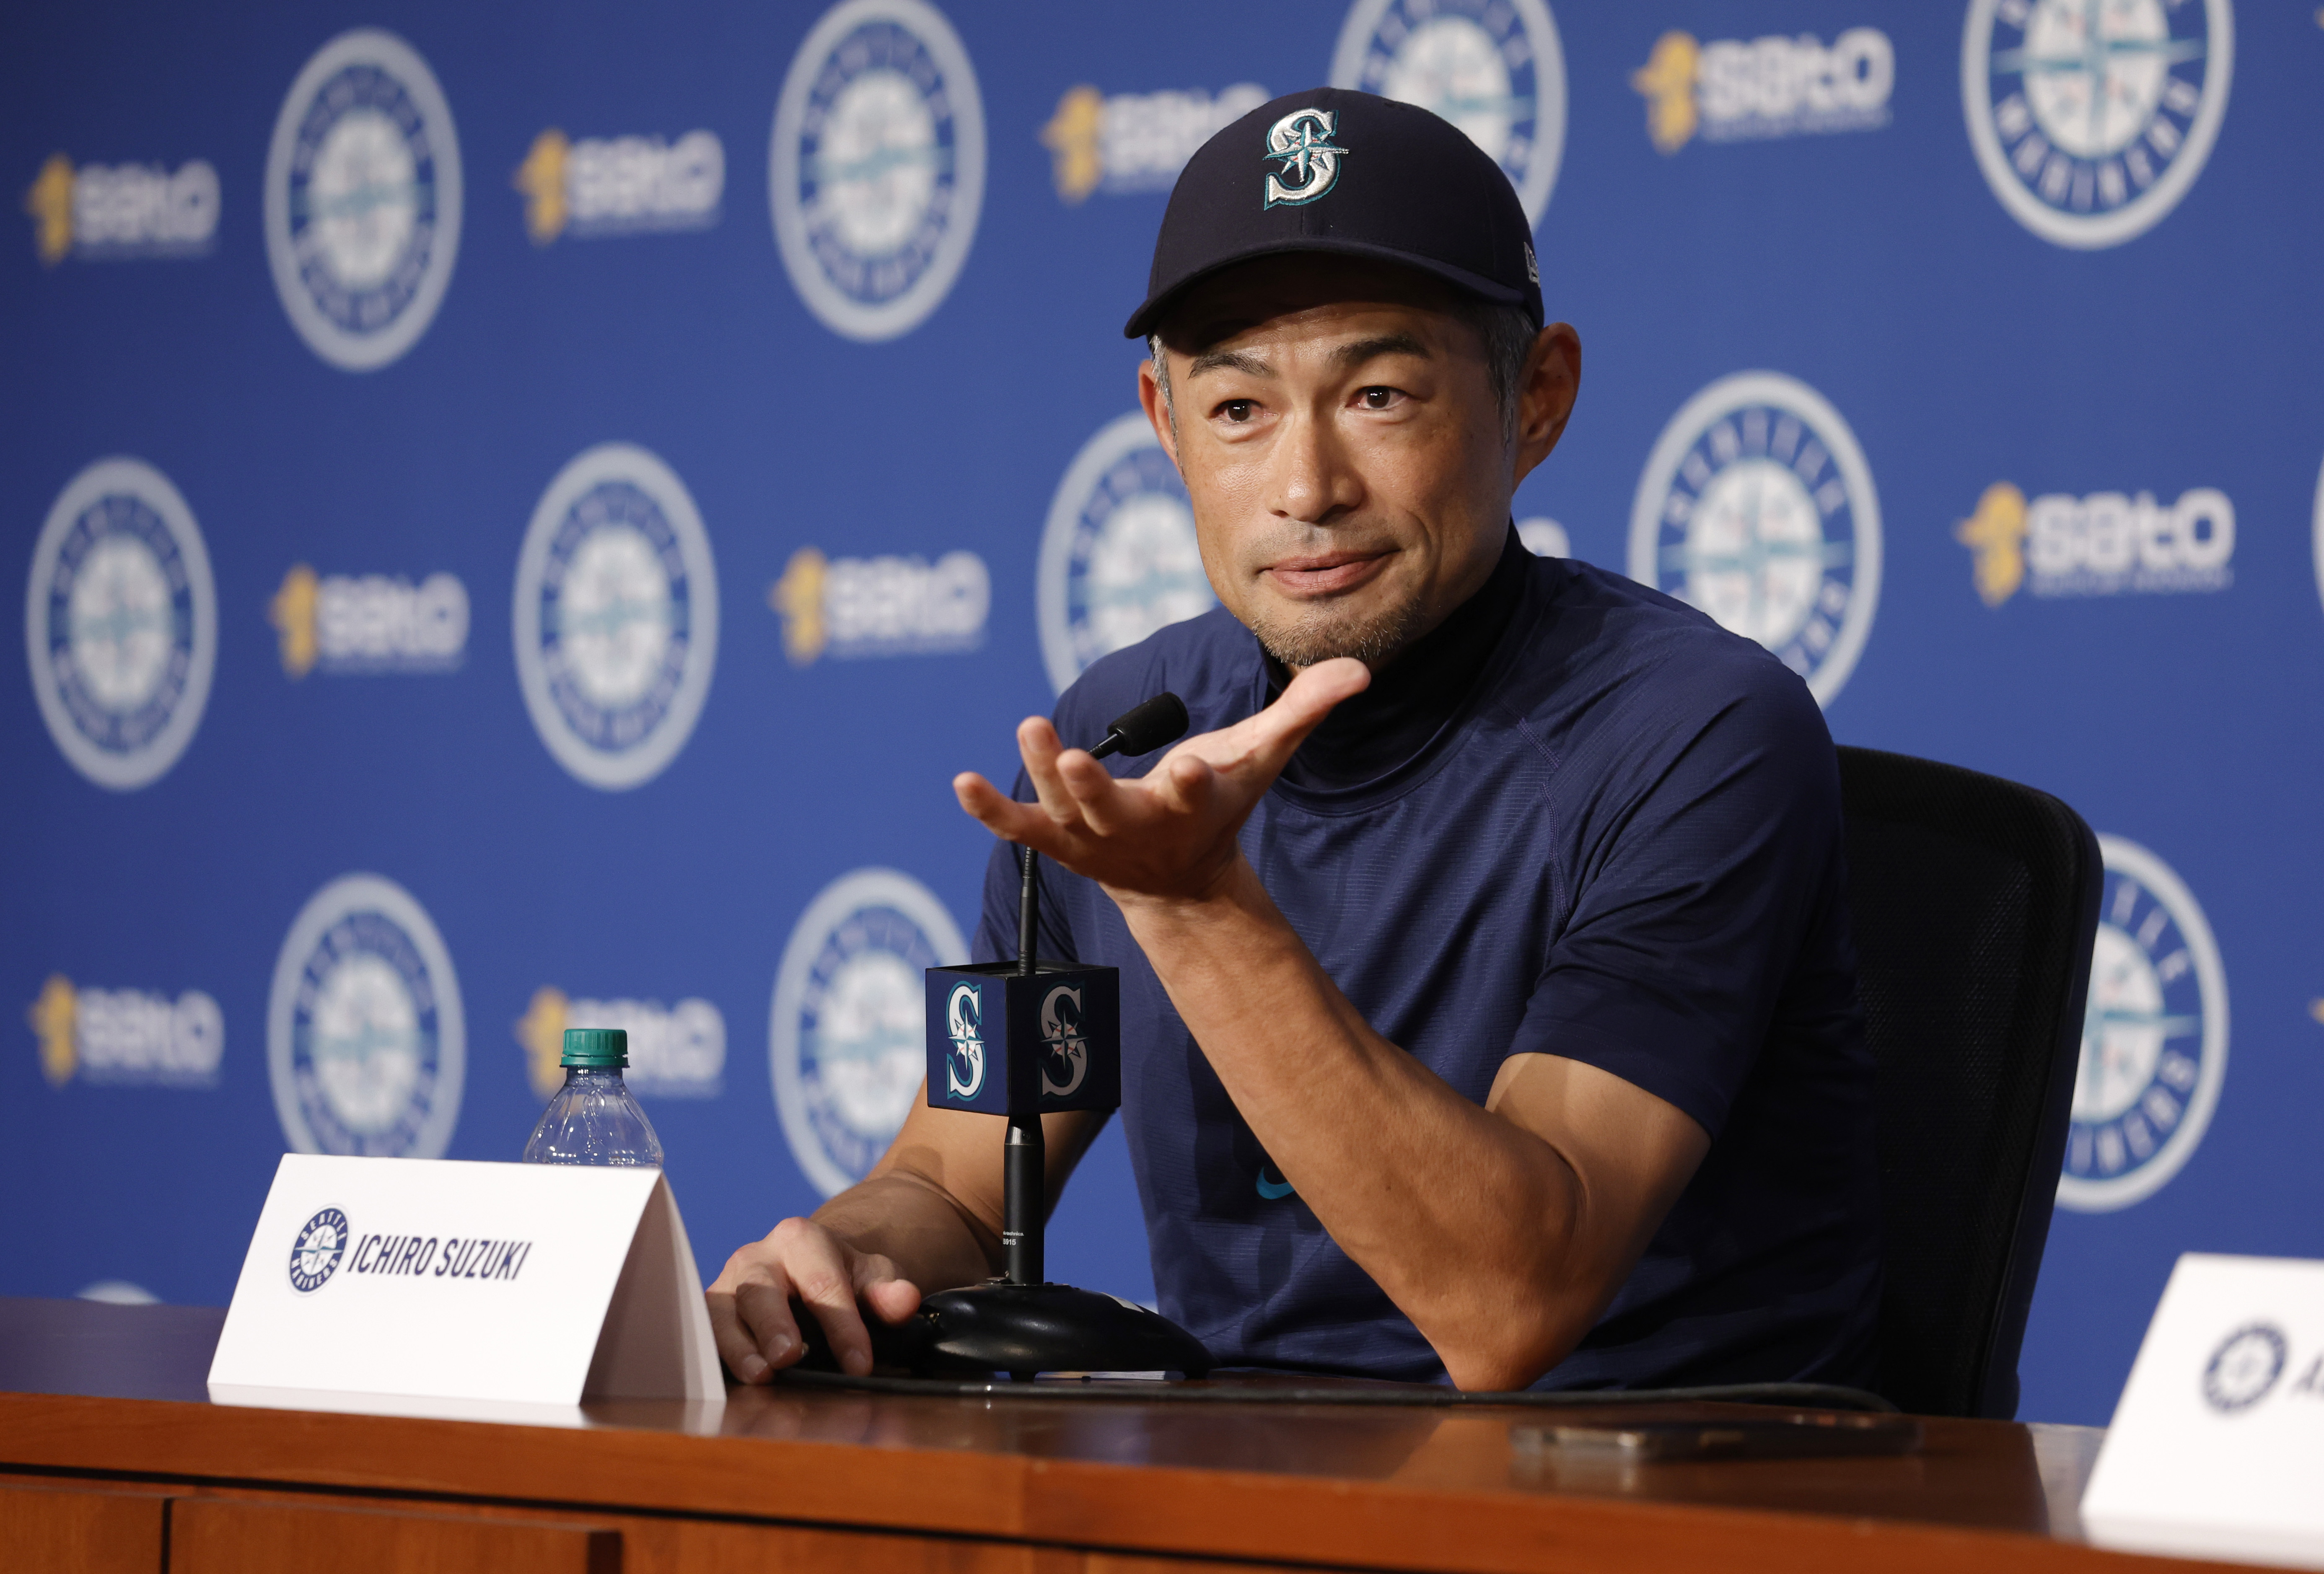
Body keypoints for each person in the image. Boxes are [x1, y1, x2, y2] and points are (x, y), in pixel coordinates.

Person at [710, 89, 1880, 1392]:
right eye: (1237, 411)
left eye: (1377, 394)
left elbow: (1509, 1302)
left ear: (1535, 399)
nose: (1305, 487)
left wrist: (1200, 911)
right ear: (1162, 423)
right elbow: (955, 1179)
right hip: (1243, 1479)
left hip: (1642, 1490)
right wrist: (829, 1255)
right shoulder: (1122, 737)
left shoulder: (1693, 730)